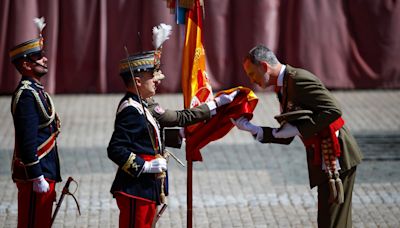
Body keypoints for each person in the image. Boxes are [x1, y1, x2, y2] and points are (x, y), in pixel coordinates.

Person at [232, 45, 363, 228]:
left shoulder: (298, 80)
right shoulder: (283, 86)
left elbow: (333, 110)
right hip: (324, 156)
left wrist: (300, 130)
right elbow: (287, 135)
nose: (252, 80)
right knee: (330, 221)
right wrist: (254, 129)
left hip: (336, 154)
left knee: (333, 222)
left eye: (252, 74)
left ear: (264, 66)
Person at [9, 17, 61, 227]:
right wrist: (36, 175)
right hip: (35, 174)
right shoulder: (26, 95)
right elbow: (27, 138)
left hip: (45, 170)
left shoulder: (36, 91)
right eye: (38, 56)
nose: (45, 59)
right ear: (25, 64)